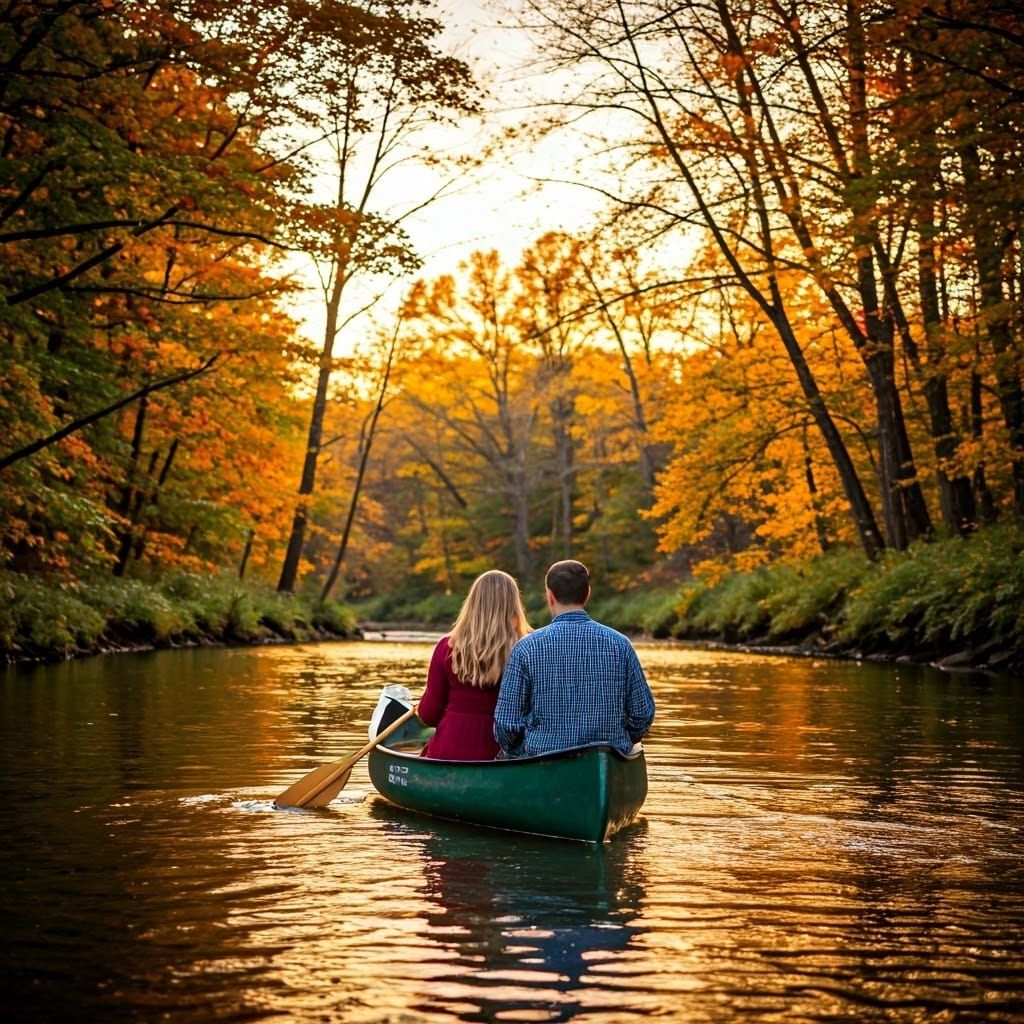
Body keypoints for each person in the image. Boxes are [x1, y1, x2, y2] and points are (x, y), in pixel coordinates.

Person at [493, 559, 655, 758]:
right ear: (587, 594)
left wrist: (518, 750)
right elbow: (642, 714)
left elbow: (506, 725)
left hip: (543, 758)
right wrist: (624, 739)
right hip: (607, 756)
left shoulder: (526, 648)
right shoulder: (620, 644)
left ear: (549, 596)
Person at [417, 569, 532, 760]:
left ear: (472, 604)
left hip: (448, 750)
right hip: (502, 753)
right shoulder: (527, 648)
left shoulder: (447, 648)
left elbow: (429, 715)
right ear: (514, 606)